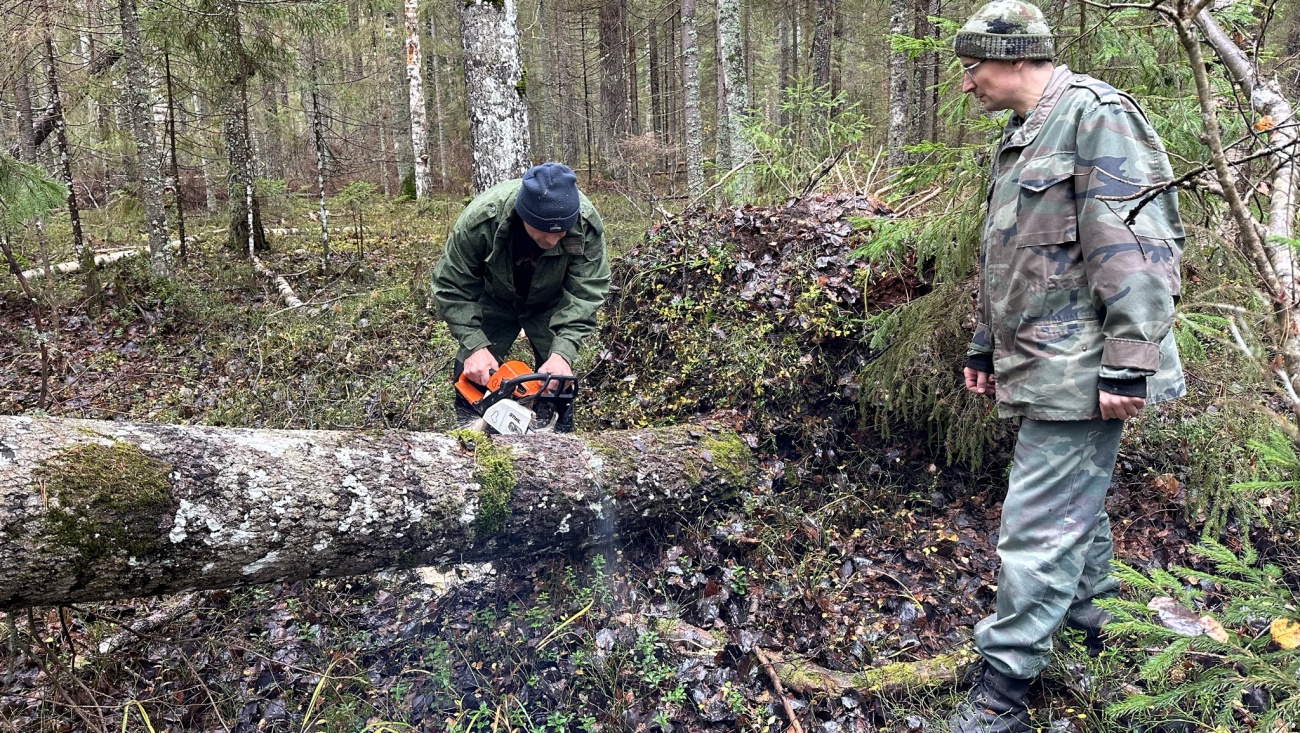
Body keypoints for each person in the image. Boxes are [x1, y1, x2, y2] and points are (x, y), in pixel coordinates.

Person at [951, 2, 1186, 731]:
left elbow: (1140, 247)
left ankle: (1002, 691)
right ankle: (1105, 635)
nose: (968, 84)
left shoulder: (1096, 117)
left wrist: (1128, 364)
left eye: (975, 66)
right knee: (1072, 515)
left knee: (1036, 527)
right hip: (1041, 364)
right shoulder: (1023, 136)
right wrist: (985, 347)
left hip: (1085, 371)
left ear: (1016, 57)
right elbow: (1011, 257)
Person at [432, 162, 610, 432]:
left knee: (557, 384)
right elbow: (451, 285)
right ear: (525, 216)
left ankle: (560, 447)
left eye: (561, 232)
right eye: (545, 232)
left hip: (550, 302)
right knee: (472, 372)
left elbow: (586, 292)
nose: (553, 240)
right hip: (496, 298)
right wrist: (474, 345)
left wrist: (563, 352)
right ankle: (472, 443)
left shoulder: (585, 224)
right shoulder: (481, 220)